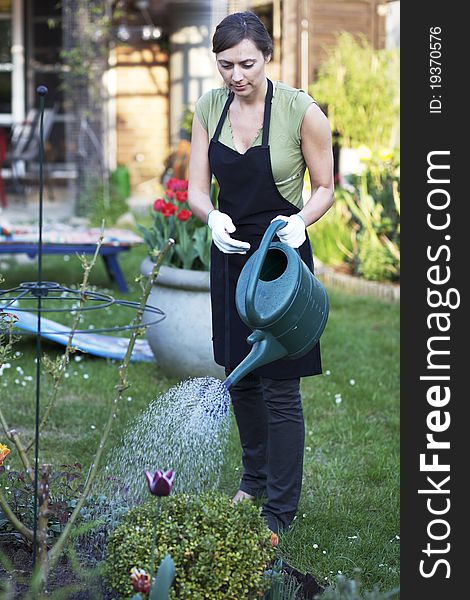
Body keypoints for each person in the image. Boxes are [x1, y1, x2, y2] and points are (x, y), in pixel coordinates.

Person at [188, 11, 334, 534]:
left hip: (280, 260)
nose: (236, 76)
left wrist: (301, 221)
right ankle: (252, 482)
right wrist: (211, 217)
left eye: (246, 63)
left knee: (279, 386)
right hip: (232, 257)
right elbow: (196, 190)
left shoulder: (301, 111)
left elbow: (324, 187)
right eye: (225, 65)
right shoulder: (209, 106)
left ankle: (278, 510)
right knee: (240, 377)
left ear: (266, 56)